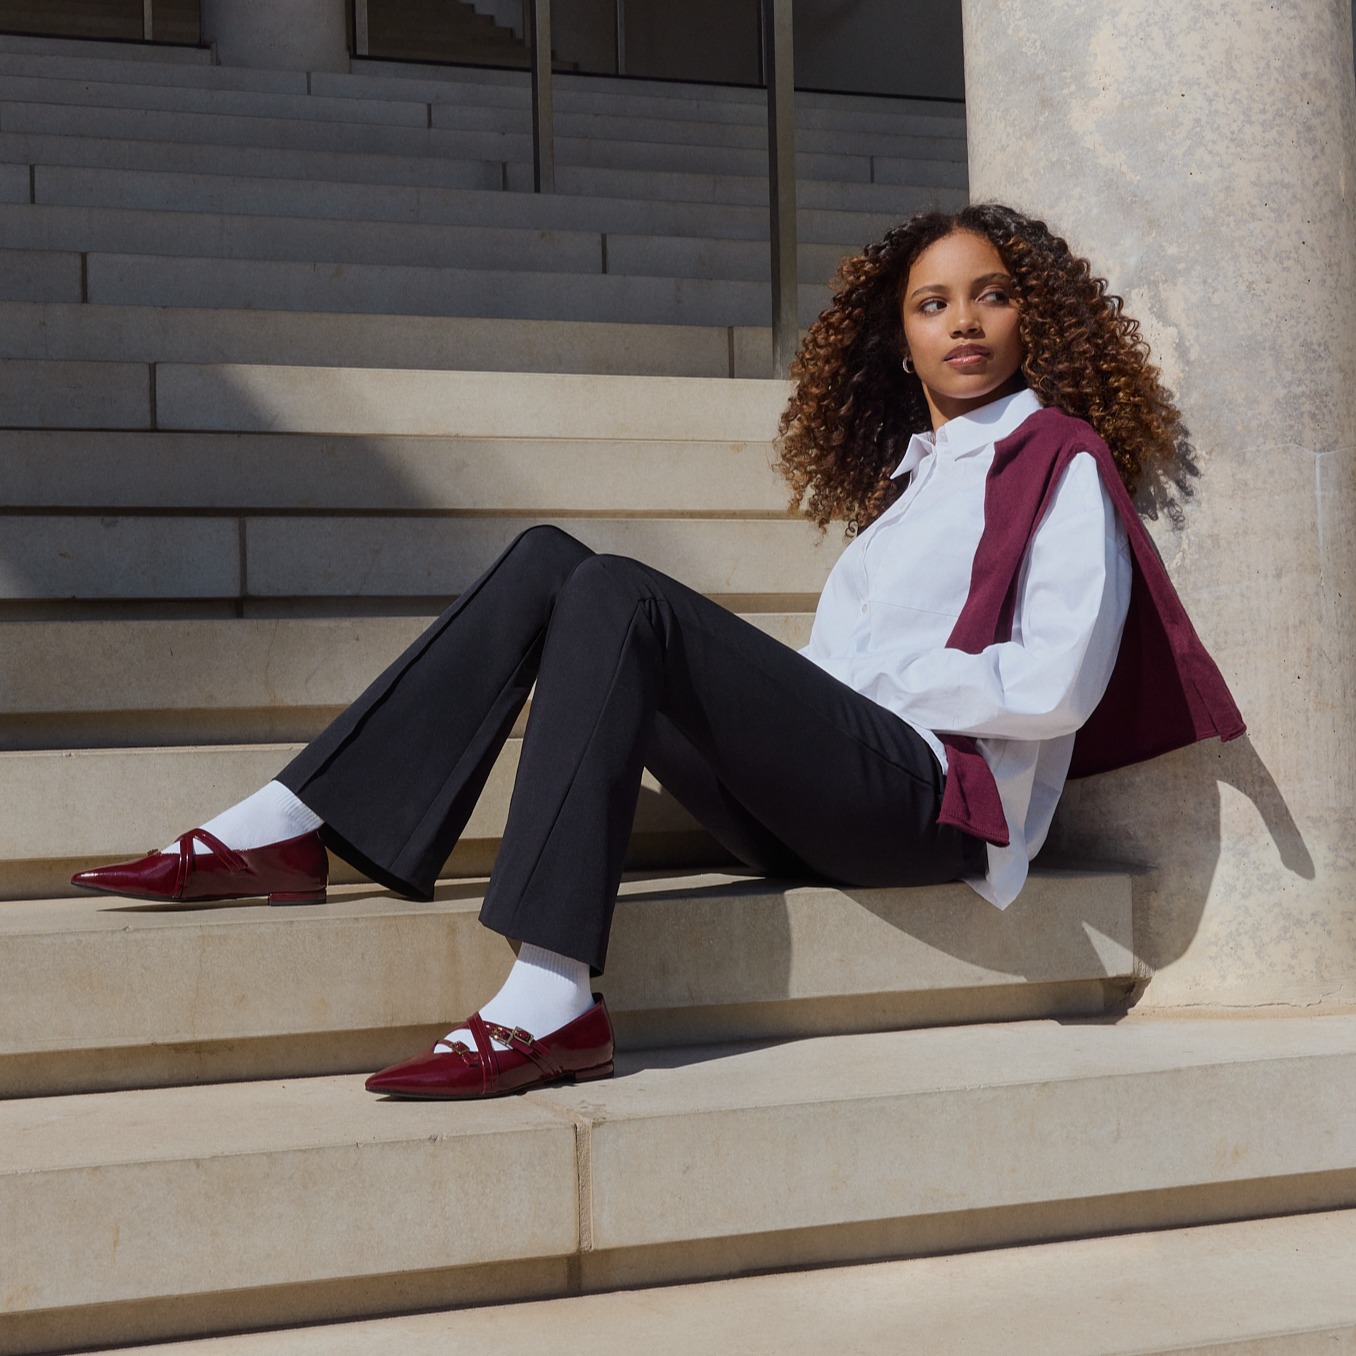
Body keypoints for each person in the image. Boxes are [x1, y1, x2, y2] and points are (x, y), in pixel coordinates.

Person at [72, 203, 1244, 1100]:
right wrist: (831, 695)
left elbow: (1056, 682)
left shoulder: (1056, 454)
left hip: (933, 807)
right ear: (899, 339)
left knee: (623, 595)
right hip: (827, 799)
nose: (966, 323)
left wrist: (879, 686)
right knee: (550, 565)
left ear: (1032, 314)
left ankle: (551, 993)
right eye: (934, 304)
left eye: (991, 296)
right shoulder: (908, 485)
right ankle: (292, 823)